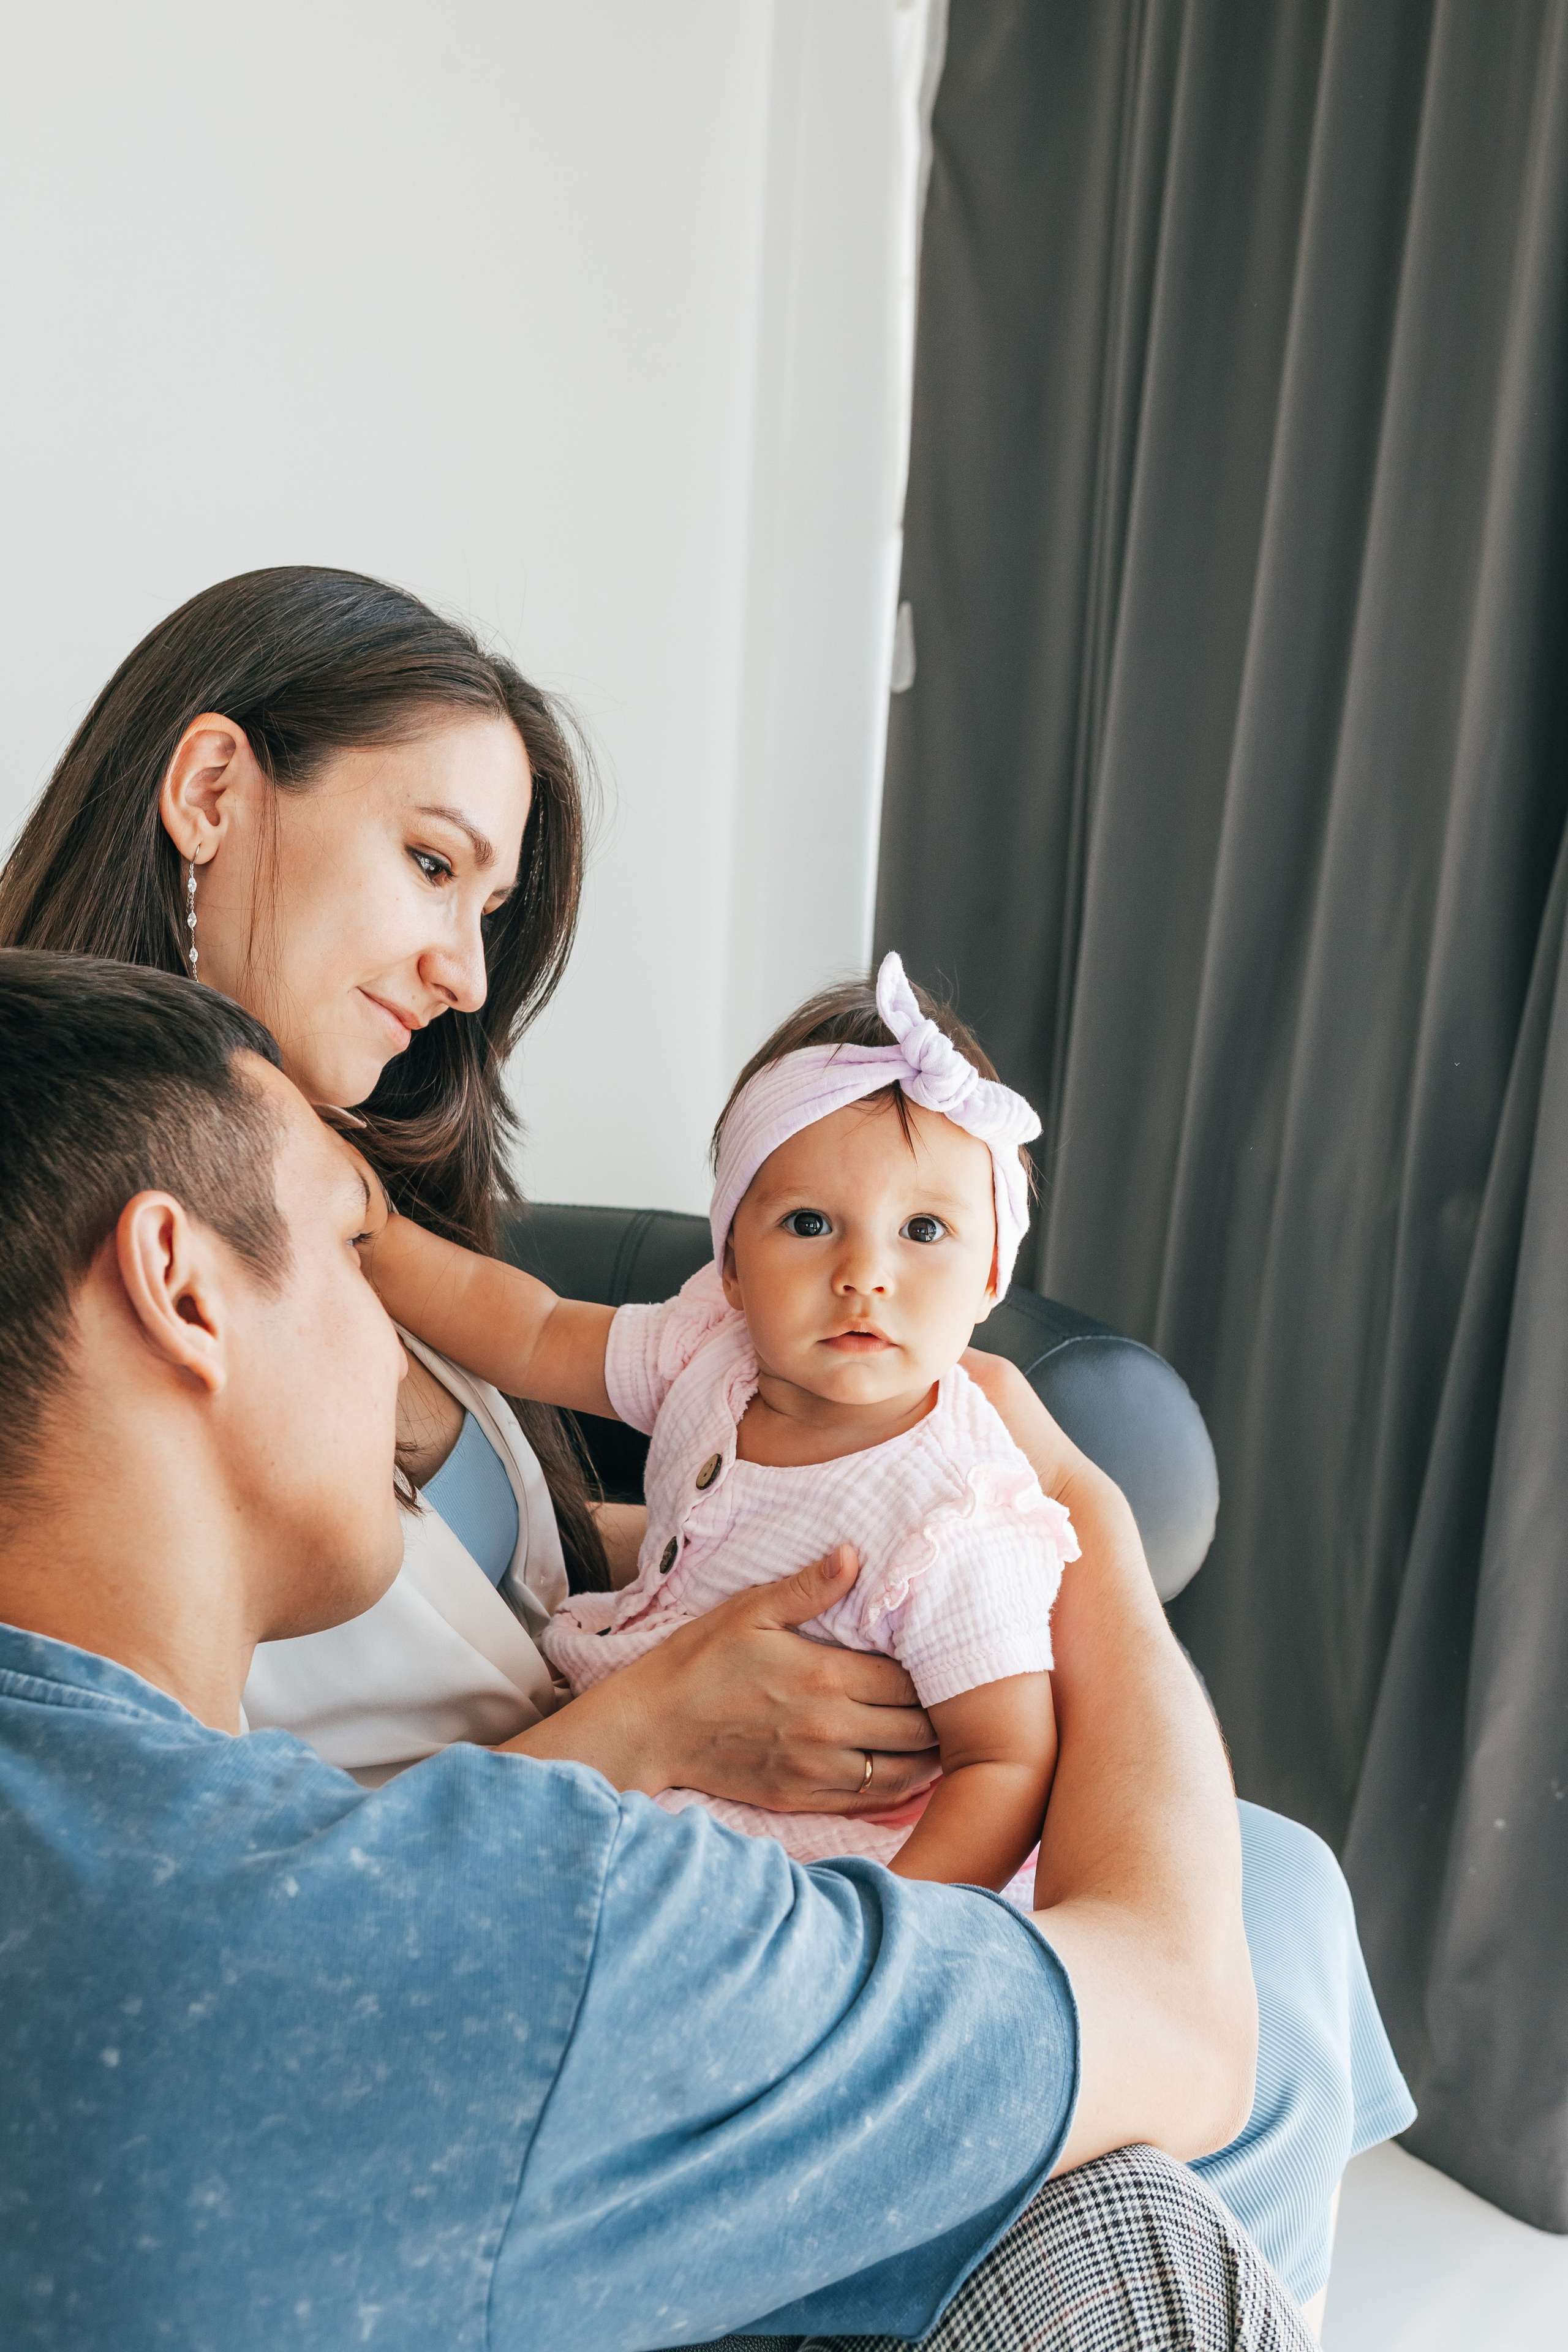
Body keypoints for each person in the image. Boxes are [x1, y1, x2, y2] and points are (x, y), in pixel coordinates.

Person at [0, 567, 1413, 2317]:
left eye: (492, 910)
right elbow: (207, 1878)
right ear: (213, 795)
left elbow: (501, 1546)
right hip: (557, 1923)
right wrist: (670, 1716)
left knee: (1274, 1887)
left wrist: (802, 1525)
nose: (462, 972)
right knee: (1214, 2025)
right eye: (434, 864)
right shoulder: (99, 1305)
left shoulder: (337, 1225)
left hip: (603, 1844)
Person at [367, 950, 1076, 1896]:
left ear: (992, 1275)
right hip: (642, 1764)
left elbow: (1007, 1763)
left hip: (819, 1873)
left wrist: (884, 1937)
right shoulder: (712, 1349)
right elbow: (531, 1331)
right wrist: (370, 1233)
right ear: (733, 1263)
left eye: (924, 1231)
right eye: (812, 1224)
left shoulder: (953, 1514)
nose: (865, 1274)